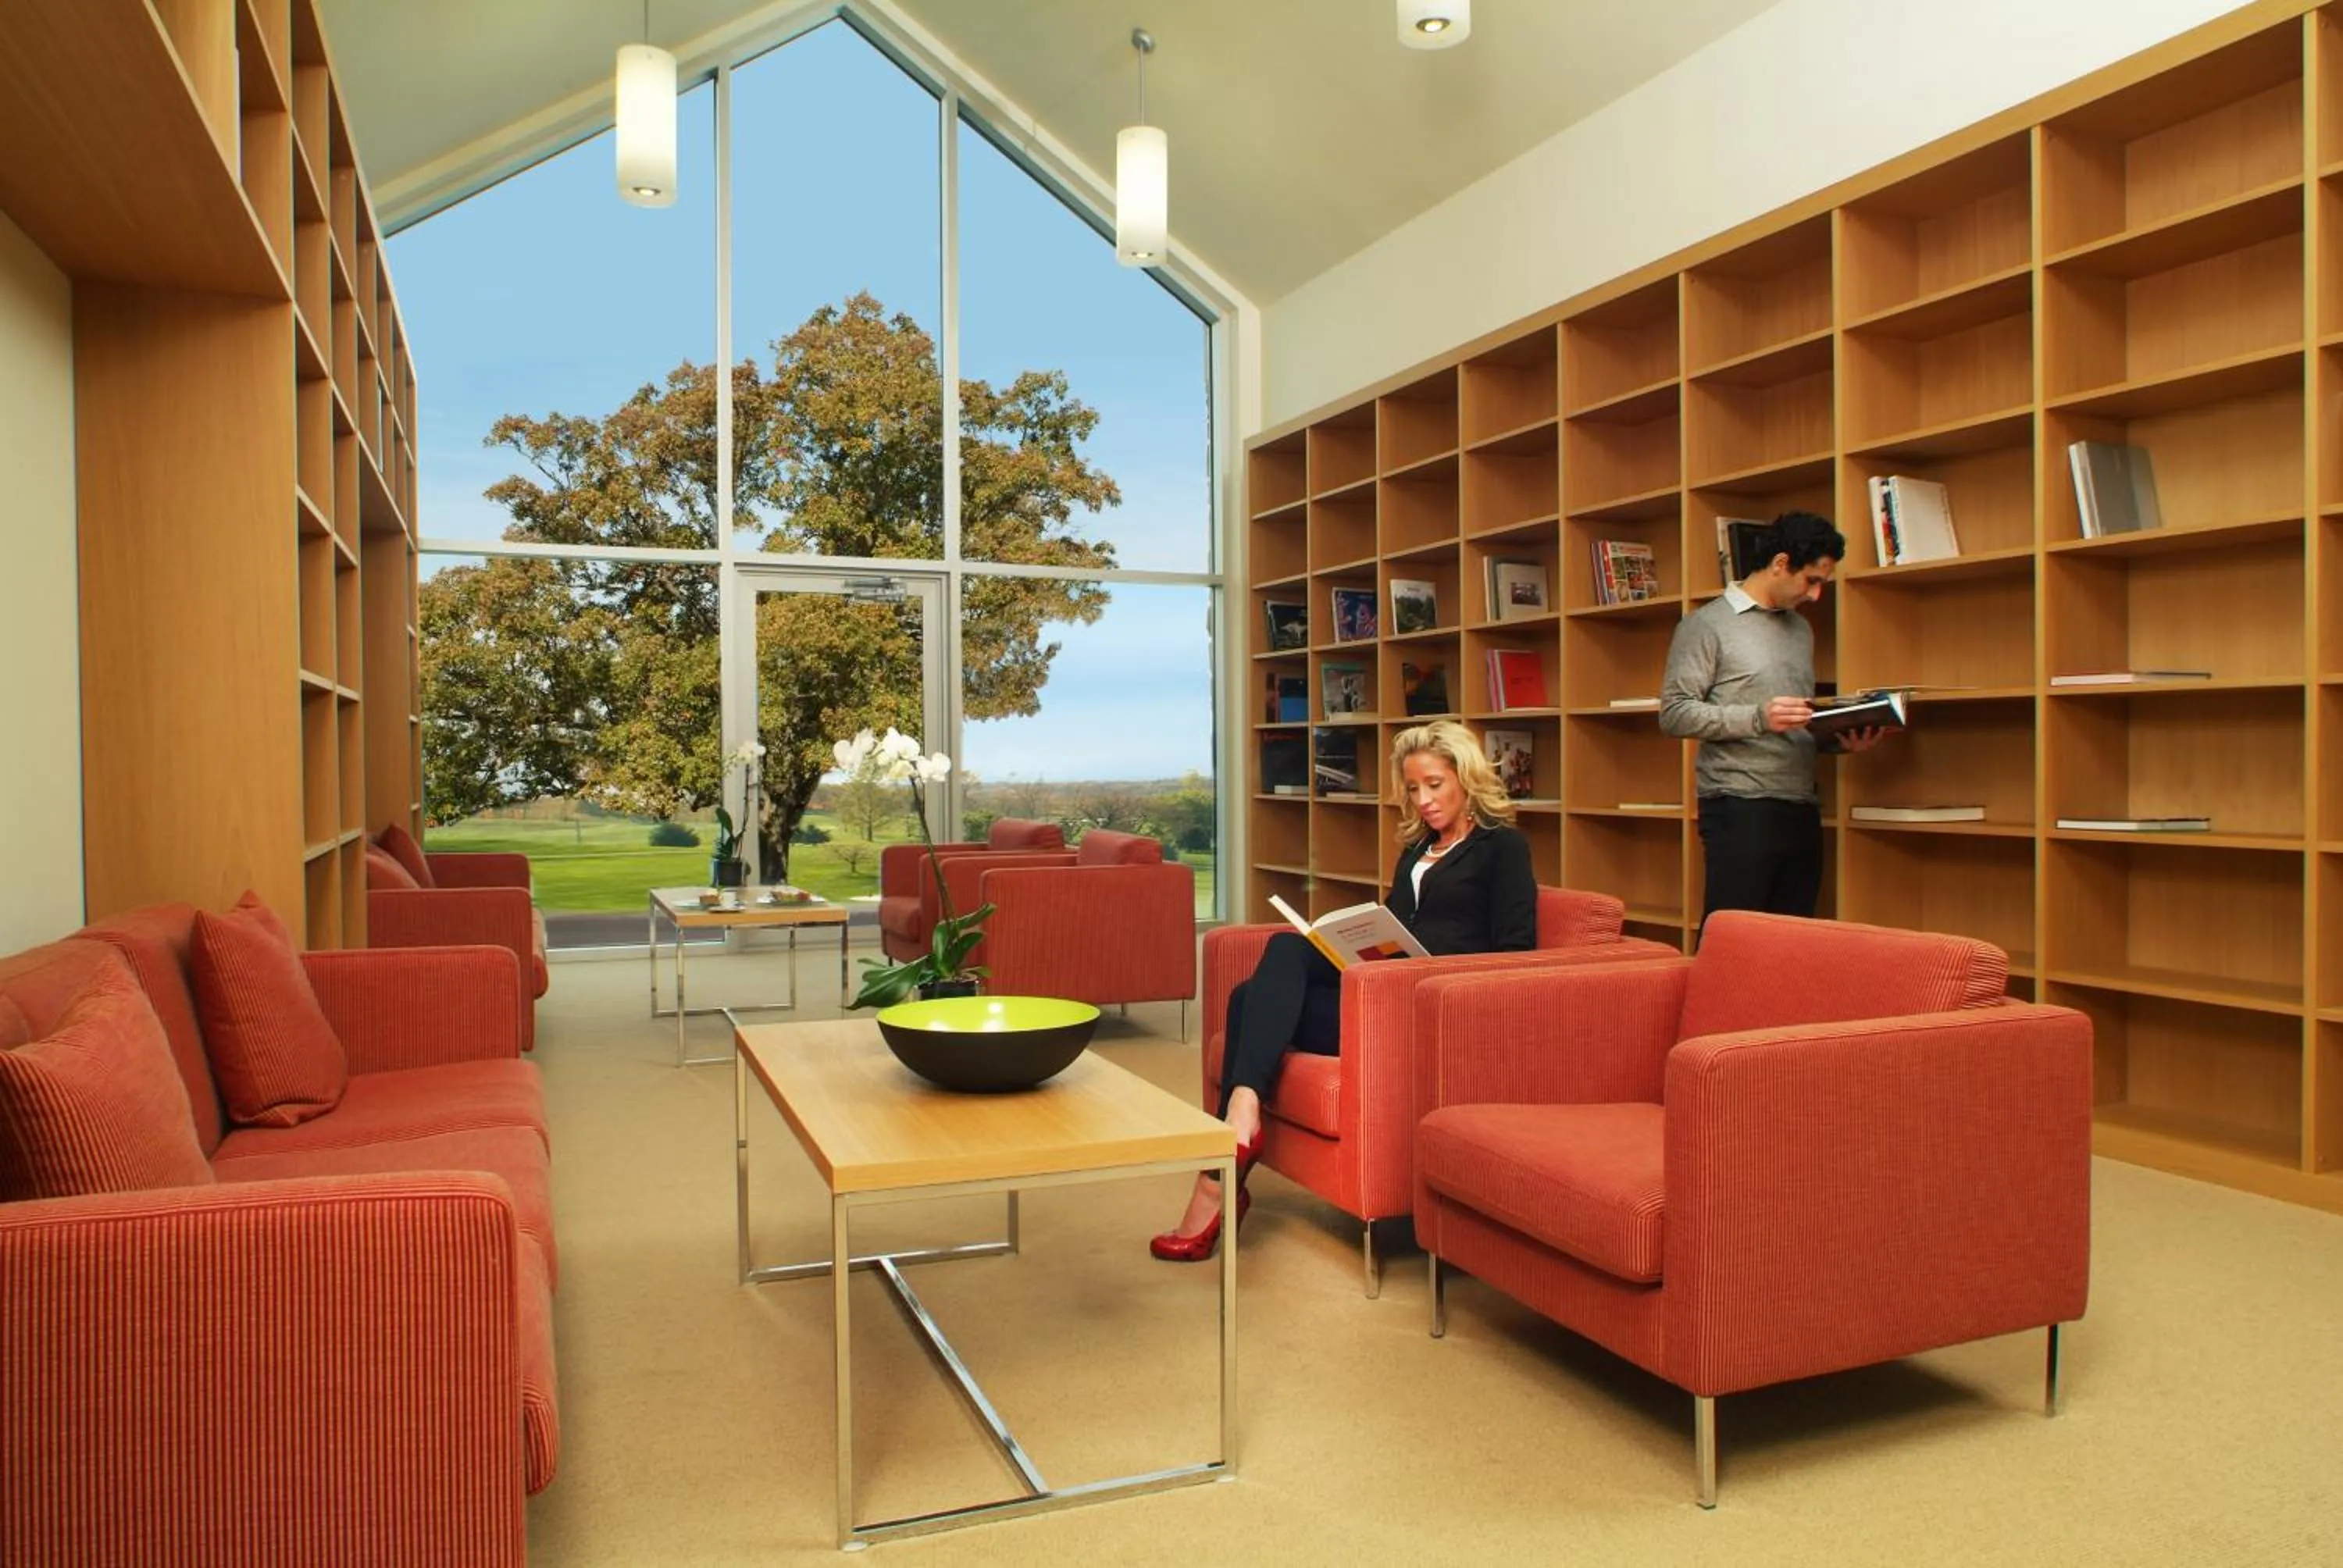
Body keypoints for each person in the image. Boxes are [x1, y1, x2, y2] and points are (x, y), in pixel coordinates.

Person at [1150, 719, 1538, 1261]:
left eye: (1434, 785)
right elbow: (1398, 926)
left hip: (1428, 1005)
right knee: (1272, 969)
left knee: (1250, 1002)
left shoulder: (1504, 849)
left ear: (1466, 778)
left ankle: (1224, 1166)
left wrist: (1433, 971)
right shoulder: (1416, 850)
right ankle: (1240, 1124)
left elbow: (1519, 954)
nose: (1422, 800)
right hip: (1378, 991)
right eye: (1412, 789)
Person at [1660, 510, 1882, 932]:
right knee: (1734, 939)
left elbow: (1792, 722)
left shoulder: (1800, 630)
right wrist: (1759, 717)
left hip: (1800, 804)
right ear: (1781, 564)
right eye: (1811, 581)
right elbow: (1674, 713)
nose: (1816, 596)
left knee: (1791, 945)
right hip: (1739, 805)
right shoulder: (1706, 625)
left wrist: (1838, 738)